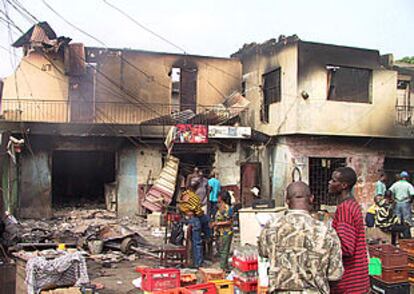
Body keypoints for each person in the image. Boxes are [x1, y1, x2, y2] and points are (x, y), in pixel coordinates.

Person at [258, 181, 343, 294]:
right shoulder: (326, 231)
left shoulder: (270, 228)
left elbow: (263, 253)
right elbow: (335, 274)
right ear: (311, 198)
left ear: (287, 201)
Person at [328, 167, 370, 293]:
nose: (329, 183)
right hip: (358, 279)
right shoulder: (352, 204)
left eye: (334, 181)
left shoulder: (345, 208)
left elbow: (346, 248)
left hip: (349, 281)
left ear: (344, 185)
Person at [178, 181, 210, 268]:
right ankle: (198, 263)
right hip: (194, 218)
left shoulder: (184, 195)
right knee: (197, 242)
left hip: (189, 217)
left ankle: (207, 239)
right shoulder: (193, 197)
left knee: (206, 221)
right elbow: (197, 210)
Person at [211, 191, 233, 271]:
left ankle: (223, 268)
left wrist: (217, 224)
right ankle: (225, 266)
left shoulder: (227, 208)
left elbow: (229, 222)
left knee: (224, 251)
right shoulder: (220, 207)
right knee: (220, 250)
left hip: (226, 232)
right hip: (219, 232)